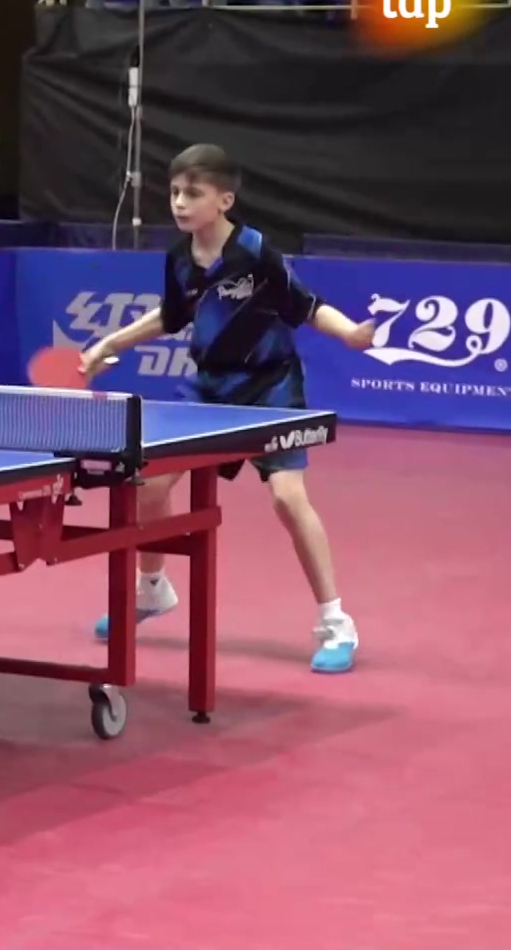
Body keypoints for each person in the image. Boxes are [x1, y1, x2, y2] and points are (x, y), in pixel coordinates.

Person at [76, 143, 376, 675]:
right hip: (210, 387)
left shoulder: (256, 253)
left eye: (193, 193)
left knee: (287, 498)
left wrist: (351, 333)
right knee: (148, 482)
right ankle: (152, 588)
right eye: (174, 192)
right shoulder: (178, 259)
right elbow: (170, 317)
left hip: (271, 386)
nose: (179, 202)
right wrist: (109, 343)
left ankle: (336, 622)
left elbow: (306, 306)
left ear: (224, 200)